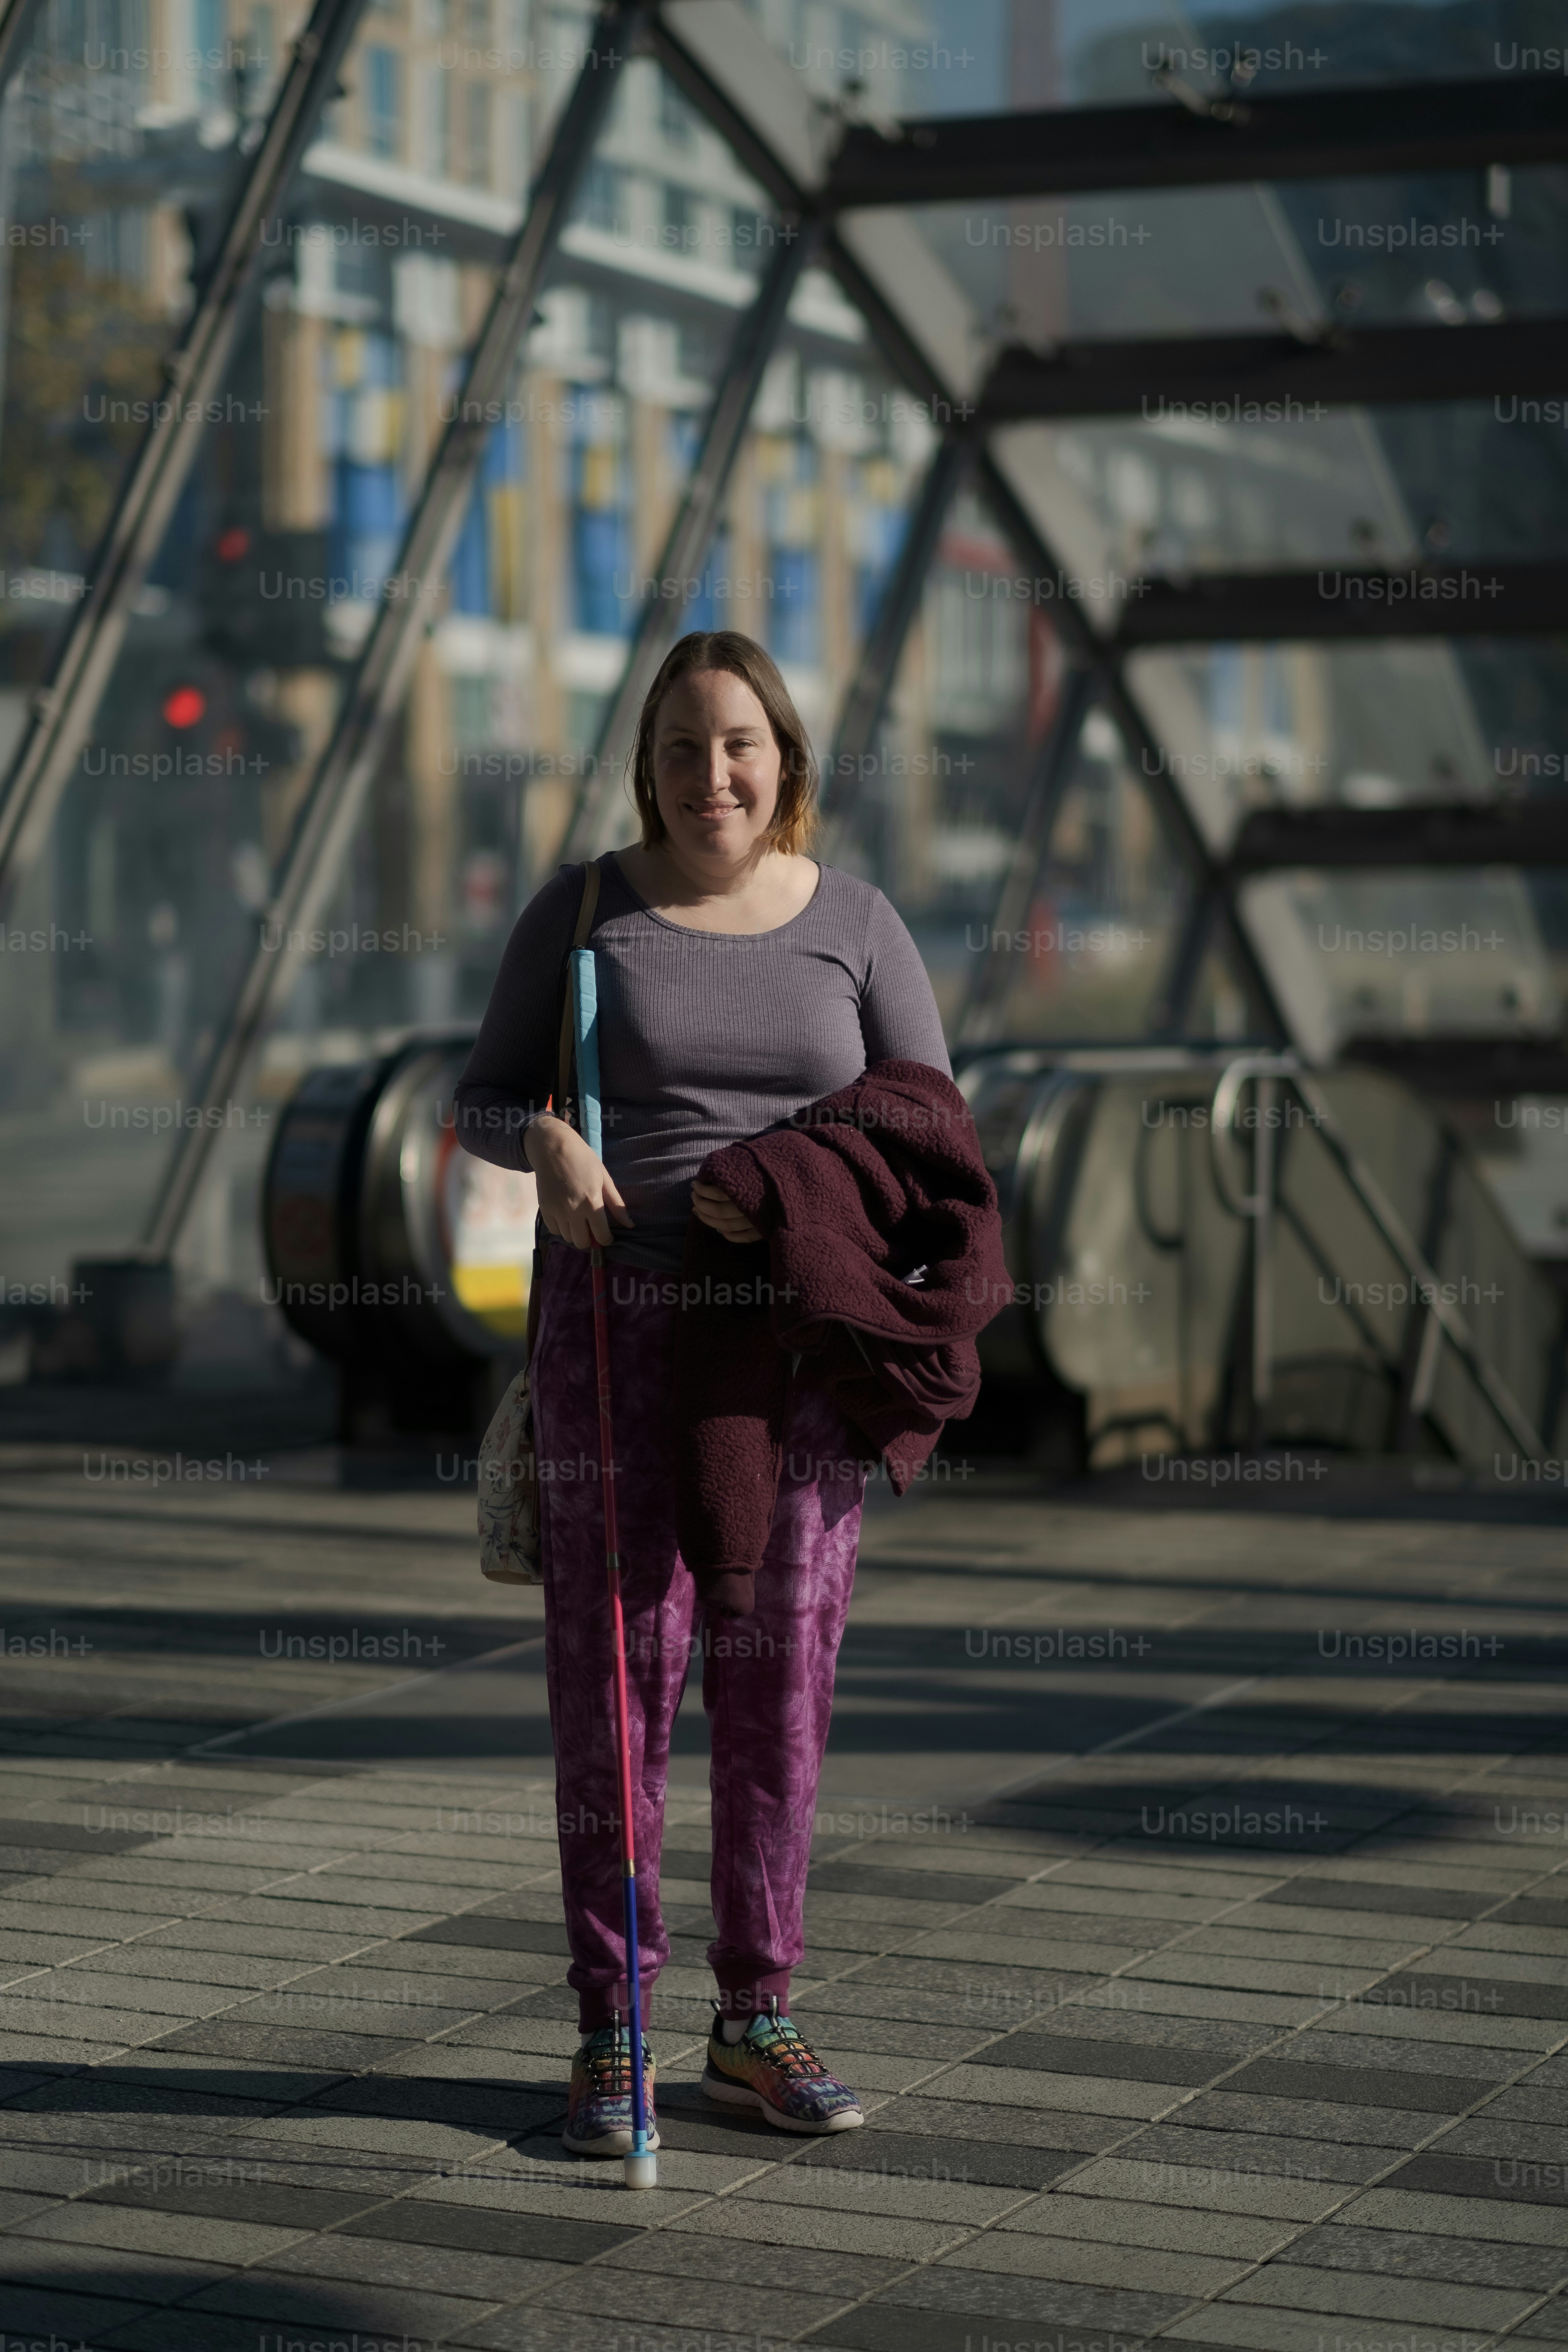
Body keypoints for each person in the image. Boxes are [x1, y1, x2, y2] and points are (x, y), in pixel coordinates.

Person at [453, 629, 950, 2154]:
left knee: (773, 1686)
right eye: (680, 747)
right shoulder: (587, 913)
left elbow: (932, 1131)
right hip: (616, 1329)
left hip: (788, 1355)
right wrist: (541, 1142)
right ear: (646, 767)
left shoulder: (855, 925)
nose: (709, 774)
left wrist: (788, 1188)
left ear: (783, 760)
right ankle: (612, 2029)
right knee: (615, 1684)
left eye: (737, 743)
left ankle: (757, 2018)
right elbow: (477, 1096)